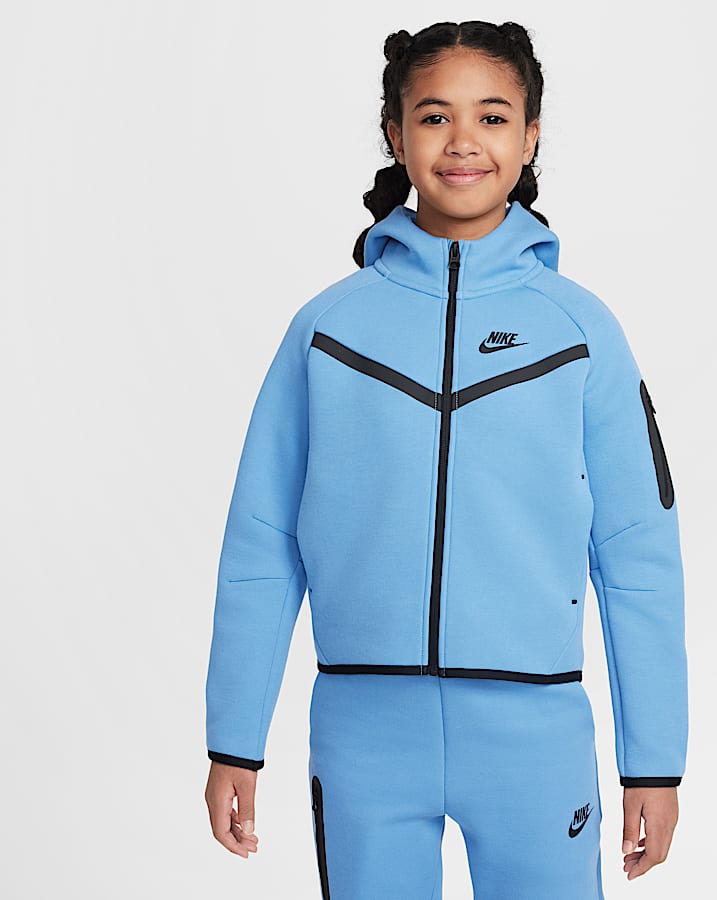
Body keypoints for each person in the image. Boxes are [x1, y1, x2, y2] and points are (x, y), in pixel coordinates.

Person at [203, 20, 688, 900]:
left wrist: (653, 760)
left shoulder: (581, 330)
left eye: (492, 117)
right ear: (396, 135)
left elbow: (636, 552)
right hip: (363, 729)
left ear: (530, 137)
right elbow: (263, 541)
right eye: (435, 116)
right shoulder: (327, 329)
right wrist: (234, 740)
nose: (464, 141)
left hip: (534, 729)